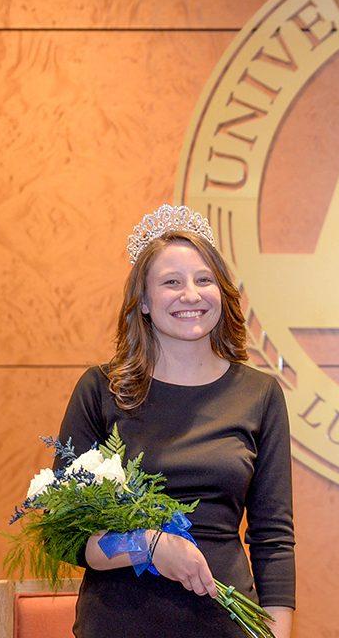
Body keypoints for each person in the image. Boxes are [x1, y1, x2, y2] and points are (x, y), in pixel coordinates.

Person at [54, 204, 295, 637]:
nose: (191, 295)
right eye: (171, 283)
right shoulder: (100, 390)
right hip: (118, 624)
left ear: (221, 292)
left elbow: (273, 537)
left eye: (205, 280)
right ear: (143, 301)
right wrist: (148, 545)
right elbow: (65, 537)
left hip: (225, 623)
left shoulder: (260, 394)